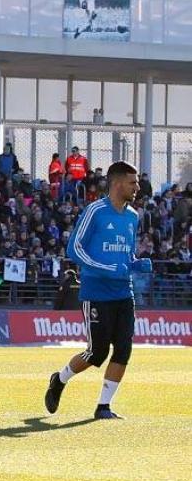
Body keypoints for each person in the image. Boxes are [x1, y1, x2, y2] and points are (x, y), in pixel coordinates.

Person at [46, 162, 151, 420]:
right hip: (96, 293)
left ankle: (103, 406)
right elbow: (75, 249)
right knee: (97, 353)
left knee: (124, 350)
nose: (137, 187)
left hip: (123, 293)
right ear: (117, 184)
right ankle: (59, 379)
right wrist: (106, 267)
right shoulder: (95, 211)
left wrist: (135, 263)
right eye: (132, 182)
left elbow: (125, 254)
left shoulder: (132, 216)